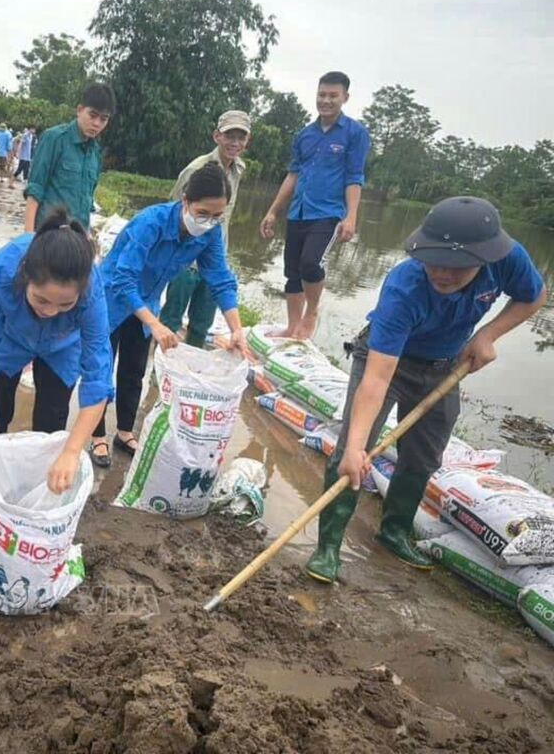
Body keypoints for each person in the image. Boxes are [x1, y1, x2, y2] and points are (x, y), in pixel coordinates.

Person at [306, 197, 547, 584]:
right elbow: (377, 379)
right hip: (387, 361)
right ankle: (328, 545)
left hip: (443, 366)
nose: (442, 272)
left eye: (456, 265)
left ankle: (394, 531)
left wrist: (488, 333)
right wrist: (355, 449)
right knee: (354, 446)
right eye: (434, 259)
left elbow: (534, 296)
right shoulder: (405, 287)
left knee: (423, 455)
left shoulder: (507, 258)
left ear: (485, 258)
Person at [89, 163, 248, 466]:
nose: (208, 221)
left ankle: (124, 432)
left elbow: (220, 278)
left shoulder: (209, 234)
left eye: (217, 216)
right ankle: (97, 436)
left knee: (134, 369)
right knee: (101, 368)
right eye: (203, 213)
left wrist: (236, 328)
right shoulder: (150, 223)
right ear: (186, 201)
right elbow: (123, 279)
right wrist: (156, 324)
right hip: (110, 297)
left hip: (146, 300)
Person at [0, 209, 113, 493]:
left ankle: (38, 491)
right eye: (41, 299)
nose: (50, 311)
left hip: (63, 347)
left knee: (51, 427)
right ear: (24, 277)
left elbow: (98, 376)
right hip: (11, 341)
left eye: (65, 305)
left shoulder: (92, 289)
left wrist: (71, 451)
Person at [259, 71, 371, 340]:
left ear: (345, 97)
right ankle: (291, 327)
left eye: (333, 95)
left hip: (329, 213)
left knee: (310, 263)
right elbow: (293, 174)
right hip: (299, 211)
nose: (326, 100)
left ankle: (311, 313)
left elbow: (354, 177)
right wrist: (273, 210)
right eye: (322, 94)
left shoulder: (355, 134)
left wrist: (351, 216)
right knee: (292, 271)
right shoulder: (304, 134)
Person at [161, 110, 252, 347]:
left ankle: (190, 368)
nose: (235, 143)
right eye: (229, 136)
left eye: (240, 137)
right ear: (216, 136)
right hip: (186, 259)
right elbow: (174, 211)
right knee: (171, 318)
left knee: (202, 322)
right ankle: (161, 371)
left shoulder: (238, 169)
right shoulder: (197, 169)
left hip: (214, 254)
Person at [24, 83, 116, 232]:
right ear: (79, 110)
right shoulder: (54, 139)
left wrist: (87, 239)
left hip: (75, 242)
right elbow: (35, 191)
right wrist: (27, 238)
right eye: (92, 115)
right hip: (48, 237)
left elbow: (87, 202)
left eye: (103, 119)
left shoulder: (95, 154)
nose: (96, 123)